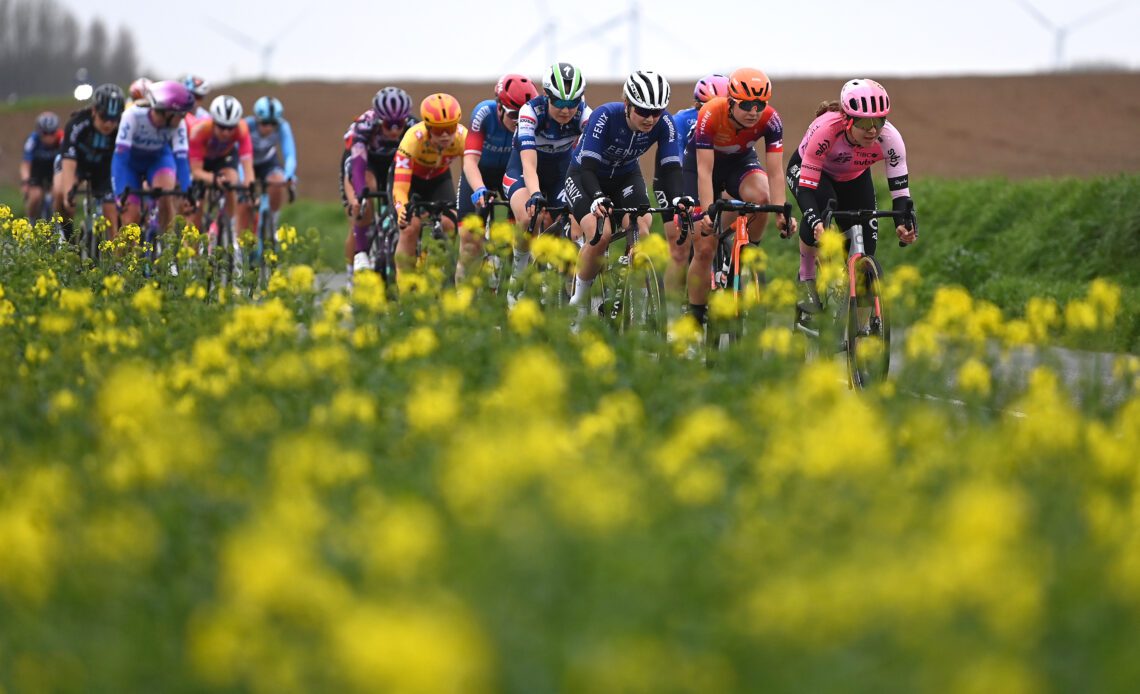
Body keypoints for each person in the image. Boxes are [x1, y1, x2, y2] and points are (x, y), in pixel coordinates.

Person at [786, 78, 916, 313]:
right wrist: (815, 221)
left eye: (879, 120)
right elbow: (806, 190)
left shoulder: (891, 139)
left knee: (866, 254)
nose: (873, 130)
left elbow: (901, 193)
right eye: (865, 123)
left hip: (853, 177)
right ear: (847, 120)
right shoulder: (826, 131)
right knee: (819, 211)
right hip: (813, 173)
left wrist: (903, 223)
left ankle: (859, 335)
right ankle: (806, 278)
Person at [565, 70, 692, 307]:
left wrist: (677, 200)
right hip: (586, 176)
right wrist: (597, 197)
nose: (650, 119)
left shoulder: (665, 123)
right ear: (627, 104)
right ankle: (579, 302)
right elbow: (588, 168)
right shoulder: (605, 116)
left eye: (656, 112)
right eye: (643, 111)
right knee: (599, 236)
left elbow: (672, 168)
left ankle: (638, 306)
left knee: (642, 231)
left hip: (625, 177)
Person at [685, 67, 795, 325]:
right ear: (731, 101)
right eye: (746, 105)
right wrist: (705, 211)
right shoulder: (710, 113)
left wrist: (780, 210)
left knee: (762, 197)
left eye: (760, 104)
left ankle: (748, 253)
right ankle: (694, 316)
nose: (754, 112)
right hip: (702, 166)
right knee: (703, 247)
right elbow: (704, 170)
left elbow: (776, 172)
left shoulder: (771, 120)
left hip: (740, 163)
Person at [502, 61, 591, 282]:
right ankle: (518, 276)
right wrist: (535, 194)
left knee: (579, 220)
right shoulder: (530, 112)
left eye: (572, 103)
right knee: (528, 217)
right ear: (546, 95)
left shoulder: (584, 114)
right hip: (524, 171)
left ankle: (571, 287)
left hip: (561, 173)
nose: (565, 110)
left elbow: (591, 159)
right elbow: (529, 164)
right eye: (559, 102)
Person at [455, 72, 537, 282]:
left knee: (522, 235)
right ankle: (462, 299)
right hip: (480, 176)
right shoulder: (484, 113)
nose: (518, 121)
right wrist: (479, 189)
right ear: (499, 106)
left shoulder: (532, 121)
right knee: (470, 243)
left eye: (523, 115)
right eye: (513, 114)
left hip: (509, 178)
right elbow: (470, 162)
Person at [656, 73, 729, 300]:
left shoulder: (730, 123)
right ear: (698, 104)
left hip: (708, 178)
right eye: (708, 106)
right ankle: (673, 314)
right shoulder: (681, 121)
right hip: (675, 178)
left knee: (712, 238)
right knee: (680, 249)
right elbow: (675, 162)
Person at [391, 93, 467, 280]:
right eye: (438, 129)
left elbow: (469, 178)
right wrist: (402, 210)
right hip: (411, 181)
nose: (445, 135)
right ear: (427, 127)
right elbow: (400, 189)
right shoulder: (412, 139)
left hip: (438, 178)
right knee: (410, 227)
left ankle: (436, 269)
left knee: (450, 222)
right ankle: (406, 292)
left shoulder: (462, 137)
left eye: (450, 128)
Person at [342, 86, 416, 276]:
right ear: (378, 119)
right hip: (367, 163)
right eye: (388, 125)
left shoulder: (413, 127)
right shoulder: (364, 125)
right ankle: (359, 256)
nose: (394, 130)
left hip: (396, 165)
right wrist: (359, 196)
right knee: (364, 198)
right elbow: (357, 165)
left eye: (399, 124)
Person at [112, 80, 194, 235]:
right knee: (130, 221)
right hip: (131, 164)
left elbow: (182, 160)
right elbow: (120, 158)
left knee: (166, 195)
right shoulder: (132, 116)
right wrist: (119, 194)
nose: (183, 118)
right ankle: (124, 259)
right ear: (167, 112)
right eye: (181, 114)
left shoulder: (178, 124)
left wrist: (187, 193)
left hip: (158, 160)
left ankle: (166, 248)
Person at [52, 84, 125, 240]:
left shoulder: (122, 128)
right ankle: (68, 237)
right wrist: (68, 194)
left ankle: (114, 255)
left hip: (102, 167)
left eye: (114, 120)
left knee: (110, 206)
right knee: (60, 192)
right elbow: (69, 162)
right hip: (76, 163)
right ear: (94, 110)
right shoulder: (77, 124)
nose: (108, 124)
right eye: (104, 117)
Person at [188, 95, 256, 260]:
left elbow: (247, 165)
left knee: (232, 182)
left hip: (224, 159)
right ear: (213, 122)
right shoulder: (199, 130)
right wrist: (212, 180)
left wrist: (249, 187)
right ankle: (195, 250)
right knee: (199, 202)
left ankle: (228, 227)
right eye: (222, 127)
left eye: (230, 128)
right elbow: (196, 171)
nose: (226, 132)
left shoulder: (242, 128)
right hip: (202, 162)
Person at [246, 96, 297, 239]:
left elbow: (290, 154)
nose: (269, 127)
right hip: (246, 162)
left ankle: (272, 222)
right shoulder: (247, 125)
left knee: (278, 180)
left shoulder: (282, 127)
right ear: (256, 119)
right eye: (265, 123)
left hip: (267, 161)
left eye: (273, 123)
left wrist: (289, 175)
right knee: (243, 194)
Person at [21, 111, 64, 221]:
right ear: (39, 132)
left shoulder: (62, 139)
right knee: (35, 196)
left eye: (52, 133)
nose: (49, 137)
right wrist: (26, 181)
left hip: (54, 170)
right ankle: (31, 222)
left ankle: (57, 223)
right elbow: (26, 164)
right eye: (45, 133)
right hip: (37, 171)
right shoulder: (32, 140)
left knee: (58, 194)